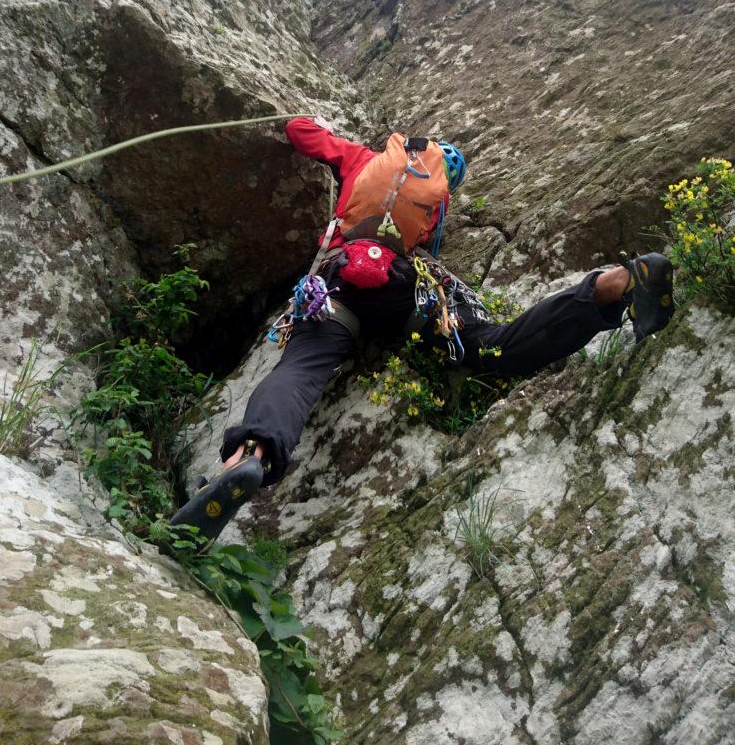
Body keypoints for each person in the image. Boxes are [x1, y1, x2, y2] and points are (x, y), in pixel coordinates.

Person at [170, 117, 674, 541]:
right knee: (492, 347)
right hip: (408, 291)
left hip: (340, 284)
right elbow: (427, 259)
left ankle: (248, 456)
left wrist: (286, 120)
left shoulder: (359, 160)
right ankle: (616, 284)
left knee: (300, 368)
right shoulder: (435, 205)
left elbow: (304, 133)